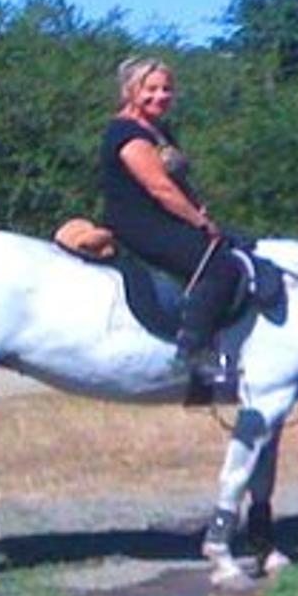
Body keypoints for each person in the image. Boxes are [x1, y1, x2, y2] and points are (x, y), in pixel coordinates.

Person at [99, 57, 242, 391]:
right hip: (140, 223)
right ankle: (192, 356)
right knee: (221, 269)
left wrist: (199, 209)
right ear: (130, 90)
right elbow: (159, 187)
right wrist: (199, 222)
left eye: (166, 89)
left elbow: (177, 183)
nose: (160, 96)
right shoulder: (127, 132)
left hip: (166, 218)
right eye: (151, 89)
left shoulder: (159, 130)